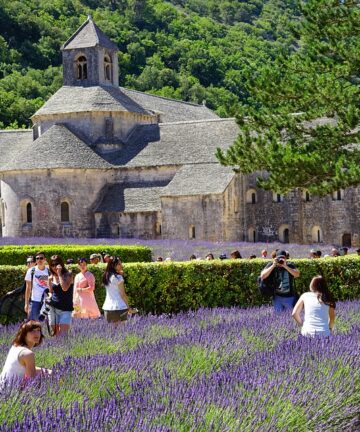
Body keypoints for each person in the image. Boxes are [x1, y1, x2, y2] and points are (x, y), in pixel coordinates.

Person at [48, 255, 74, 336]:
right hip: (53, 308)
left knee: (63, 334)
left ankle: (65, 348)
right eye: (52, 265)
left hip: (66, 309)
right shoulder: (51, 277)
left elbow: (65, 288)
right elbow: (51, 292)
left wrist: (59, 274)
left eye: (56, 264)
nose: (54, 267)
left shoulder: (68, 274)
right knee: (55, 334)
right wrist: (48, 297)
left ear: (61, 264)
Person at [102, 256, 129, 324]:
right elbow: (123, 294)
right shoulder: (118, 277)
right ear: (113, 265)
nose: (121, 265)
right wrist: (128, 307)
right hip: (120, 307)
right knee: (122, 332)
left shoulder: (106, 276)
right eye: (119, 264)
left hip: (107, 307)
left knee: (111, 333)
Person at [24, 251, 50, 320]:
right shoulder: (31, 271)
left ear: (45, 259)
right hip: (34, 301)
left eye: (41, 258)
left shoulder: (49, 271)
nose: (39, 260)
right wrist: (26, 304)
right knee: (33, 323)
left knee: (46, 324)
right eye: (37, 258)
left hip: (46, 303)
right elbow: (28, 288)